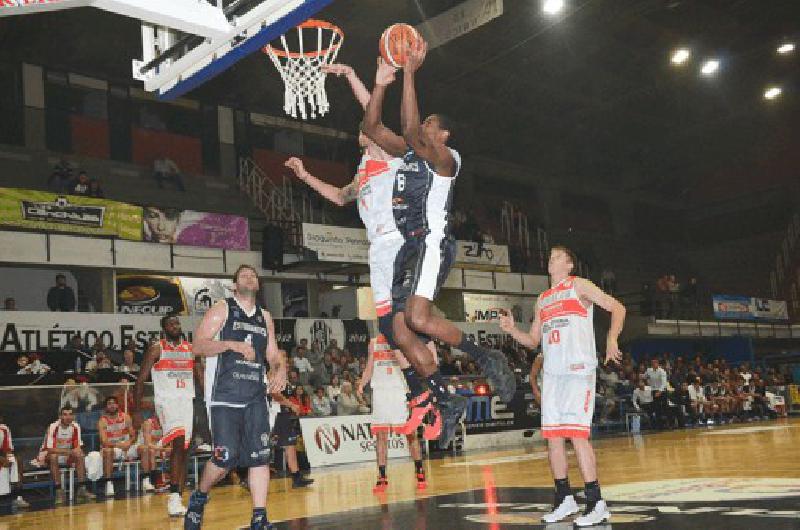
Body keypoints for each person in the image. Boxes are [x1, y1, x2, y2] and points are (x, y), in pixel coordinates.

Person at [361, 44, 515, 447]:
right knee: (402, 327)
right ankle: (447, 394)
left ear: (442, 134)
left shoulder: (447, 158)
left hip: (432, 242)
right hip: (408, 249)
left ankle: (483, 357)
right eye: (424, 120)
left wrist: (410, 72)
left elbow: (411, 131)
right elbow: (372, 129)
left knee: (415, 317)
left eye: (430, 121)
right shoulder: (411, 152)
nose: (423, 125)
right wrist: (379, 85)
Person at [285, 62, 438, 439]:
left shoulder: (388, 155)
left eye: (366, 130)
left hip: (399, 240)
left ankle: (435, 391)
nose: (362, 131)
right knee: (386, 329)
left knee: (404, 323)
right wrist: (304, 176)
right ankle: (421, 396)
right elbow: (339, 196)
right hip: (377, 250)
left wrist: (355, 77)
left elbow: (372, 112)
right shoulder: (361, 172)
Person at [499, 245, 625, 526]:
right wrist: (511, 330)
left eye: (557, 257)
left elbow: (617, 307)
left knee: (578, 436)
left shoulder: (579, 286)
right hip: (553, 376)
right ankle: (564, 497)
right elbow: (533, 341)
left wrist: (612, 338)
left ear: (569, 265)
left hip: (578, 371)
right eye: (550, 257)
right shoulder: (542, 300)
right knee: (553, 439)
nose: (550, 261)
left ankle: (596, 502)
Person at [184, 264, 287, 530]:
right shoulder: (223, 309)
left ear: (258, 285)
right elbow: (197, 345)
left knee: (260, 456)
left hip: (255, 396)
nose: (249, 277)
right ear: (234, 285)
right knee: (224, 457)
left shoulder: (265, 317)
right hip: (225, 395)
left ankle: (260, 517)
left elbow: (273, 354)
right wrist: (231, 345)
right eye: (243, 275)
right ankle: (199, 496)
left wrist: (281, 369)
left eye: (253, 275)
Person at [134, 315, 202, 517]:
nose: (176, 326)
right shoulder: (157, 349)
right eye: (171, 324)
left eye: (177, 323)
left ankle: (178, 497)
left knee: (185, 449)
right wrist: (137, 410)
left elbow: (200, 377)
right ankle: (173, 496)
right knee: (179, 443)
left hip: (186, 401)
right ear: (164, 328)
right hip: (167, 401)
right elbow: (139, 381)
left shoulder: (190, 349)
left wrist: (208, 400)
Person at [358, 335, 427, 493]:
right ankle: (382, 477)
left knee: (410, 433)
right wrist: (362, 384)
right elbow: (370, 367)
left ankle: (420, 471)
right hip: (380, 393)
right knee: (380, 436)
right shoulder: (374, 343)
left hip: (398, 391)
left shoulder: (401, 339)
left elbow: (413, 364)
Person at [270, 361, 315, 490]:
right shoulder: (272, 375)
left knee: (290, 446)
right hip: (275, 415)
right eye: (283, 359)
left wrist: (292, 406)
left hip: (285, 415)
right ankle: (248, 476)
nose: (287, 363)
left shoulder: (285, 378)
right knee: (267, 446)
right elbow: (274, 394)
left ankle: (296, 477)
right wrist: (291, 404)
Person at [42, 406, 95, 503]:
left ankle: (81, 489)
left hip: (67, 454)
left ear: (73, 416)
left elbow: (77, 446)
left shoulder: (75, 426)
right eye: (65, 414)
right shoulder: (53, 426)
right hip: (50, 455)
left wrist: (77, 451)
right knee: (53, 457)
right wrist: (70, 452)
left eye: (70, 414)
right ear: (60, 416)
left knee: (80, 455)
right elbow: (50, 449)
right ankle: (58, 490)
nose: (68, 417)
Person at [97, 396, 136, 497]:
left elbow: (133, 436)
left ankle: (146, 480)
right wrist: (119, 445)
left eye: (114, 403)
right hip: (112, 448)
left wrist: (130, 442)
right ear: (106, 407)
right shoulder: (103, 421)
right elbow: (104, 441)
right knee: (108, 451)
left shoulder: (126, 417)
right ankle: (109, 483)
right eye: (109, 403)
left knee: (144, 449)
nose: (112, 405)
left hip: (126, 446)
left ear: (117, 405)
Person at [0, 415, 29, 510]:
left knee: (17, 460)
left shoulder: (4, 429)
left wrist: (8, 458)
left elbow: (8, 449)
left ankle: (18, 497)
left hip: (2, 456)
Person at [137, 414, 170, 493]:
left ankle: (169, 478)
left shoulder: (165, 424)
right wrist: (162, 448)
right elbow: (147, 443)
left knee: (173, 450)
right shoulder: (148, 423)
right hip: (142, 447)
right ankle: (149, 479)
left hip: (156, 448)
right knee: (150, 450)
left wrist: (167, 448)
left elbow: (167, 441)